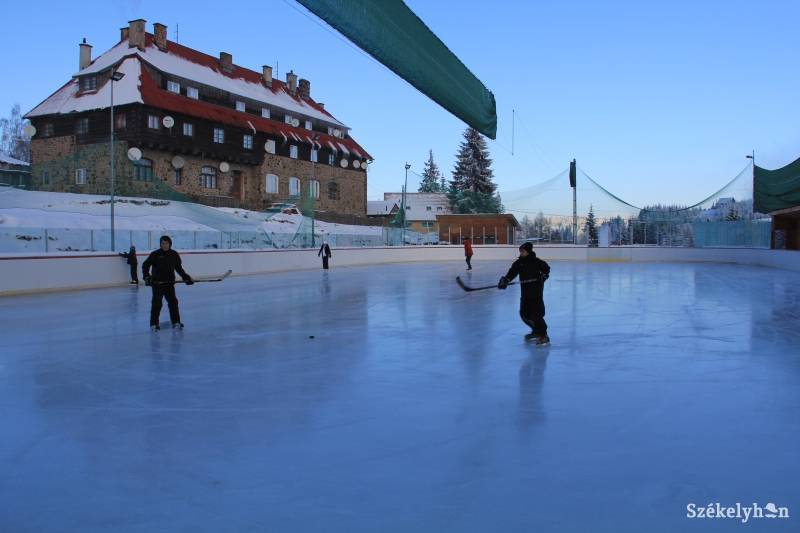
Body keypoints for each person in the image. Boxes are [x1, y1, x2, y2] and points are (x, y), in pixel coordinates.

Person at [498, 242, 551, 345]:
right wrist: (506, 280)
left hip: (536, 292)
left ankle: (543, 335)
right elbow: (512, 272)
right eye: (520, 251)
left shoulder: (537, 262)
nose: (521, 253)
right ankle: (536, 331)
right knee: (524, 314)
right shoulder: (519, 263)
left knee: (536, 314)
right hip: (525, 292)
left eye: (523, 251)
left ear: (528, 251)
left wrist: (543, 277)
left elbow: (547, 269)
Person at [142, 235, 193, 331]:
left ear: (170, 244)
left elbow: (178, 268)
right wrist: (146, 276)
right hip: (157, 283)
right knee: (157, 304)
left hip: (169, 283)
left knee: (173, 302)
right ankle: (154, 324)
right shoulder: (155, 254)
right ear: (160, 244)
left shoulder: (174, 254)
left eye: (166, 243)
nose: (164, 245)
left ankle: (176, 322)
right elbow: (145, 265)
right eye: (162, 243)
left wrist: (185, 277)